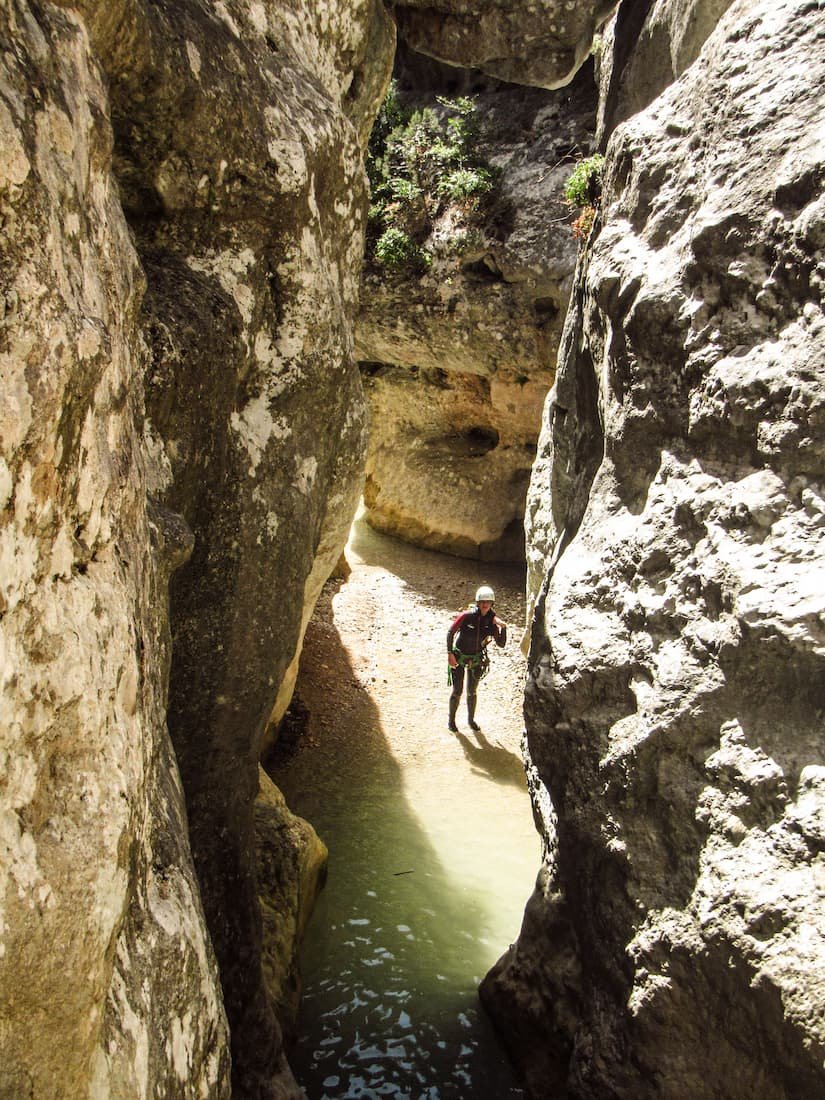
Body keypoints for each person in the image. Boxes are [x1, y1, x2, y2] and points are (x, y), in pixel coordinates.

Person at [447, 585, 507, 732]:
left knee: (472, 691)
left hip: (477, 659)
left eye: (488, 602)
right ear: (478, 602)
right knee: (457, 691)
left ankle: (470, 720)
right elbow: (451, 632)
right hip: (459, 656)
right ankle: (451, 721)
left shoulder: (492, 621)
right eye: (482, 601)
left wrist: (503, 628)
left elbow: (501, 644)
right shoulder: (466, 616)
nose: (485, 604)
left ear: (492, 603)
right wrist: (450, 654)